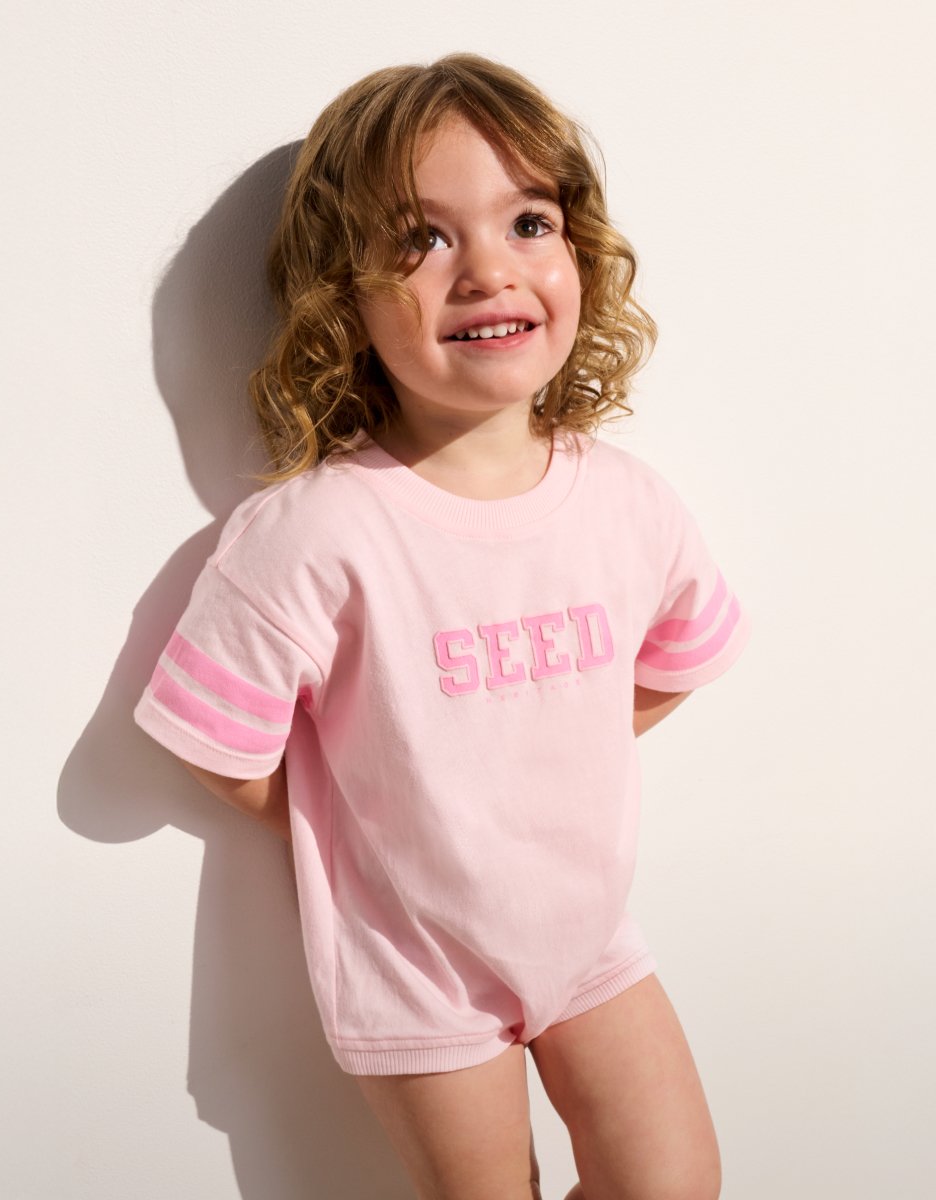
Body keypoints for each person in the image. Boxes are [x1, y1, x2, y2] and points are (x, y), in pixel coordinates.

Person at [135, 54, 749, 1200]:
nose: (487, 270)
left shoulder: (628, 504)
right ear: (343, 296)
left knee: (675, 1183)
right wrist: (379, 802)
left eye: (528, 222)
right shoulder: (315, 532)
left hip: (590, 938)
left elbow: (677, 659)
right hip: (417, 968)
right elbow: (217, 750)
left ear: (579, 253)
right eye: (421, 239)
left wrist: (539, 738)